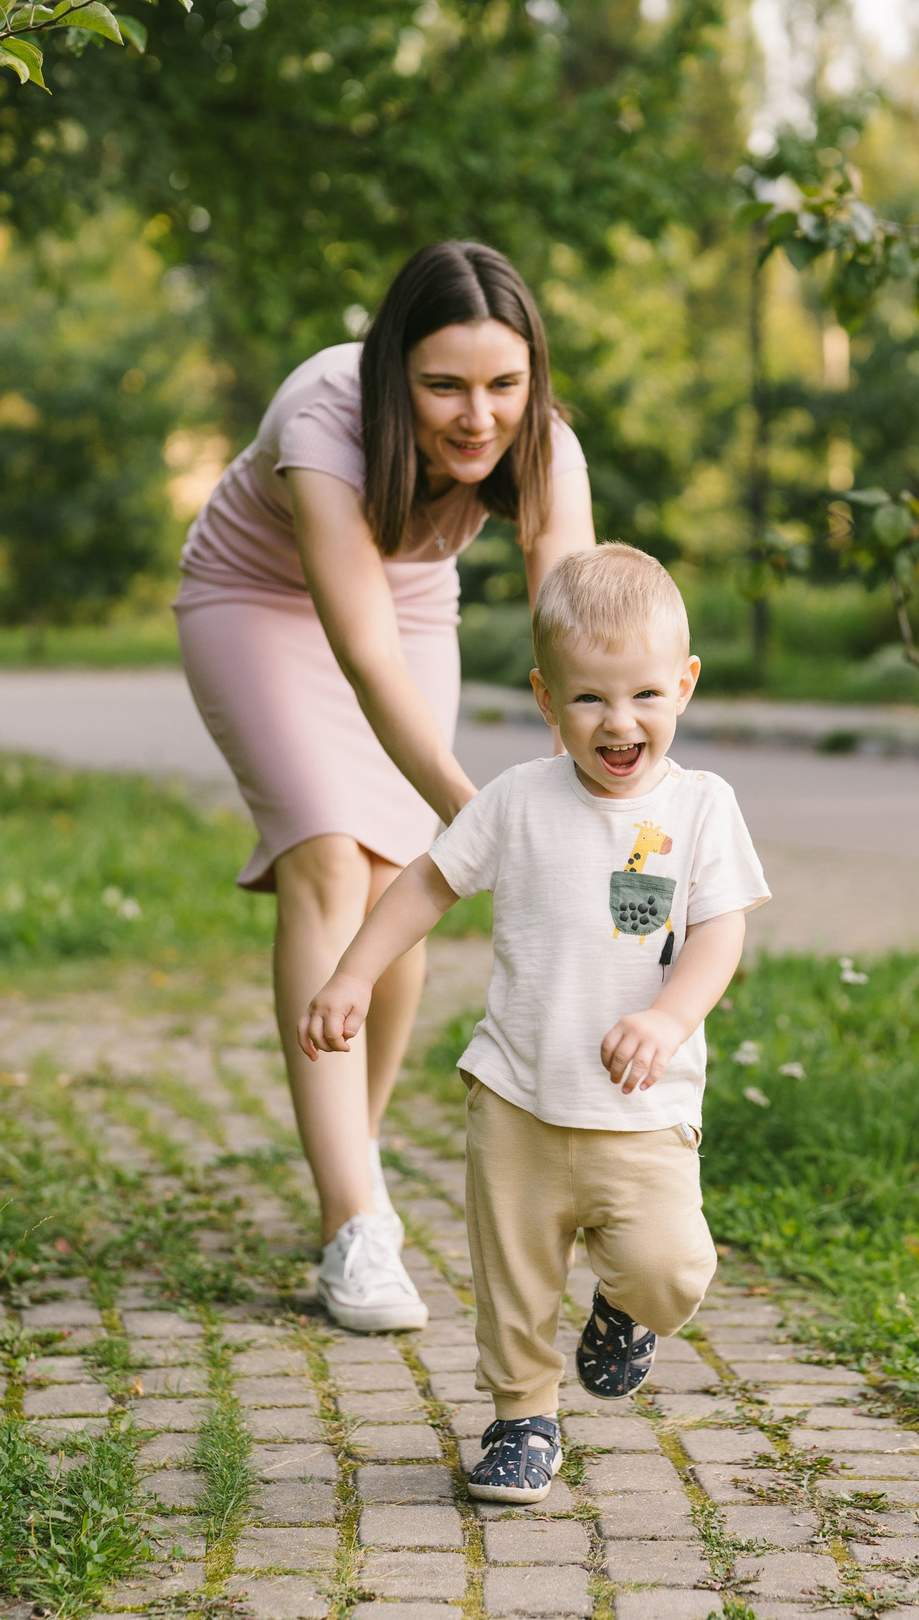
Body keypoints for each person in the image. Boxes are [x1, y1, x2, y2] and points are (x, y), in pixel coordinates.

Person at [174, 242, 595, 1331]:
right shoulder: (324, 417)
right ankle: (355, 1225)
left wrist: (586, 789)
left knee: (400, 885)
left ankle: (344, 1165)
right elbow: (359, 654)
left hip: (410, 604)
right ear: (390, 371)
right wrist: (483, 816)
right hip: (256, 603)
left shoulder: (544, 441)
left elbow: (576, 632)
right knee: (330, 859)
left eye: (503, 385)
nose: (476, 416)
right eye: (443, 385)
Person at [300, 545, 770, 1503]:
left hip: (644, 1105)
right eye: (590, 698)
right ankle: (523, 1416)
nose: (620, 721)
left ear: (683, 684)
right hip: (518, 1092)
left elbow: (722, 935)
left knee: (671, 1265)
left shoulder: (700, 807)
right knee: (514, 1274)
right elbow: (425, 883)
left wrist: (670, 1015)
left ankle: (625, 1312)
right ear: (547, 698)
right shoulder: (515, 800)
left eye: (645, 693)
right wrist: (353, 971)